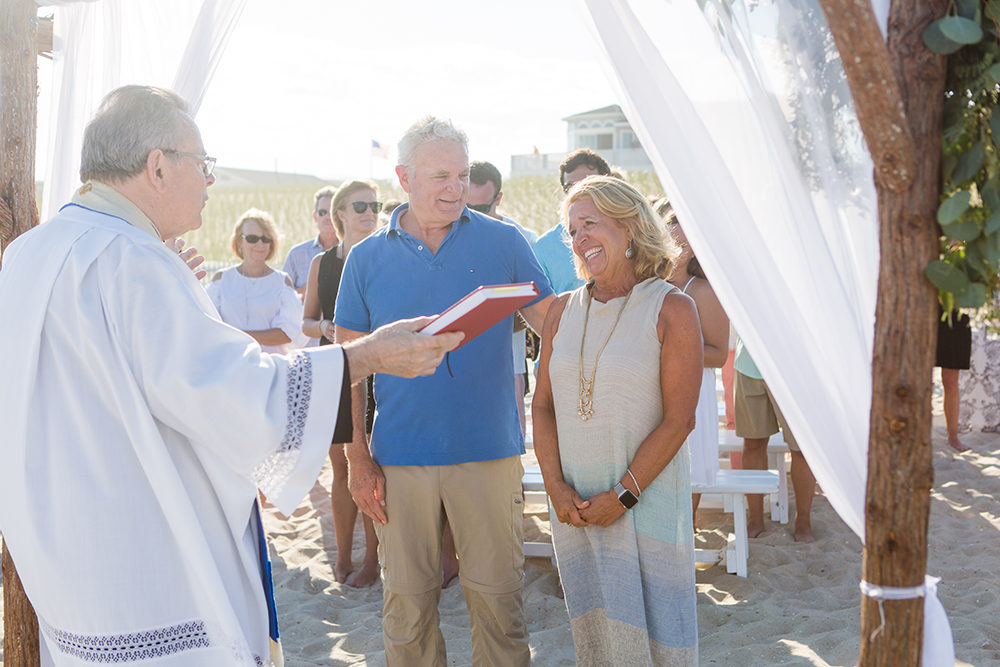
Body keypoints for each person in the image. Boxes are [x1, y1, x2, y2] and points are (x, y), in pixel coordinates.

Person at [0, 85, 462, 667]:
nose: (211, 179)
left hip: (65, 555)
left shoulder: (31, 251)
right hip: (147, 556)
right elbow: (232, 393)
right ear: (158, 167)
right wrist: (366, 356)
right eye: (203, 163)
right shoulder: (134, 261)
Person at [334, 116, 554, 666]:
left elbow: (555, 326)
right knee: (407, 613)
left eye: (462, 175)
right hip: (399, 458)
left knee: (499, 606)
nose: (456, 188)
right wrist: (357, 459)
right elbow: (344, 371)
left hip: (489, 451)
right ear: (404, 178)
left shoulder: (505, 241)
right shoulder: (364, 258)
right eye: (441, 177)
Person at [533, 176, 702, 665]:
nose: (579, 238)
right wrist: (555, 487)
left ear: (629, 227)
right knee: (597, 641)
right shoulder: (561, 311)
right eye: (572, 230)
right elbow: (542, 406)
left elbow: (680, 420)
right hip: (577, 506)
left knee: (659, 641)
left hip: (645, 503)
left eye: (590, 223)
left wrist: (623, 495)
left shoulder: (672, 307)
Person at [301, 179, 382, 586]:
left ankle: (371, 560)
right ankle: (343, 557)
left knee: (372, 463)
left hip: (378, 368)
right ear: (340, 215)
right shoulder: (323, 264)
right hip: (333, 368)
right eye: (360, 206)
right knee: (340, 466)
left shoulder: (384, 258)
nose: (370, 212)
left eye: (375, 205)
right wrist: (325, 327)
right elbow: (306, 321)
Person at [663, 201, 730, 521]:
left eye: (682, 241)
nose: (675, 247)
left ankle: (686, 536)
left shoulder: (704, 291)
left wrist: (674, 353)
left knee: (688, 475)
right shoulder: (648, 287)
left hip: (693, 393)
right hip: (652, 391)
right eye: (670, 237)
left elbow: (718, 354)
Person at [468, 159, 537, 434]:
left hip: (507, 351)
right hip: (461, 352)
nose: (472, 215)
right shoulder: (445, 234)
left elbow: (535, 301)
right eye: (466, 207)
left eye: (481, 208)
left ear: (498, 199)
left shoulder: (522, 238)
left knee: (510, 426)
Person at [734, 339, 817, 542]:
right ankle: (755, 518)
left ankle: (803, 520)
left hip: (792, 368)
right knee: (753, 444)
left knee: (801, 448)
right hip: (748, 363)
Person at [207, 208, 308, 354]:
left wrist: (240, 336)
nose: (260, 244)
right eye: (252, 238)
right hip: (231, 360)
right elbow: (209, 325)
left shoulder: (282, 282)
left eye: (266, 239)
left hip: (271, 362)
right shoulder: (222, 280)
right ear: (239, 242)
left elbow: (288, 333)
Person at [533, 148, 611, 295]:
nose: (578, 192)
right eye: (570, 187)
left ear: (609, 186)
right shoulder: (543, 248)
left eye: (587, 184)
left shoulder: (627, 232)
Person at [282, 185, 338, 296]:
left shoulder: (351, 253)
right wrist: (310, 289)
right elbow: (282, 295)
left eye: (333, 212)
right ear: (315, 216)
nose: (328, 217)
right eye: (322, 212)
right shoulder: (296, 254)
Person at [936, 304, 972, 452]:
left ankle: (953, 437)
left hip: (957, 312)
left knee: (950, 380)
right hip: (927, 311)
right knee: (922, 381)